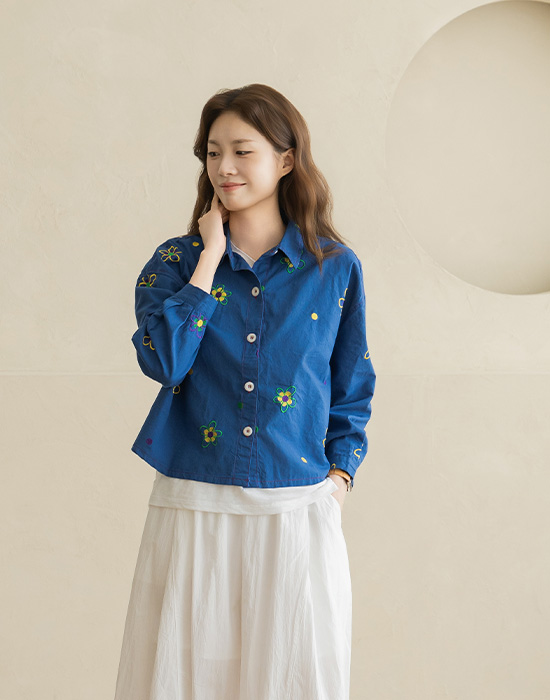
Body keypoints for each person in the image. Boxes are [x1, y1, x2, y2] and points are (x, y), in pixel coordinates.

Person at [114, 83, 376, 700]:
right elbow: (165, 362)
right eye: (212, 153)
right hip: (194, 503)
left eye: (241, 151)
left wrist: (340, 478)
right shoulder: (176, 262)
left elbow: (351, 383)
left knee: (294, 678)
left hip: (296, 507)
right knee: (186, 679)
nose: (224, 167)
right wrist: (209, 258)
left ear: (285, 160)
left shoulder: (334, 267)